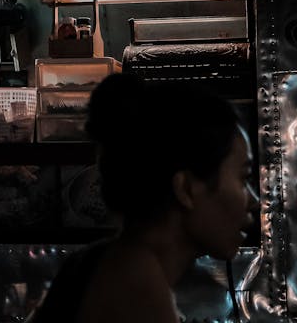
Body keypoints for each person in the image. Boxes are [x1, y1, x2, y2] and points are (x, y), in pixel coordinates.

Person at [26, 73, 258, 323]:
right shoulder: (137, 291)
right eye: (243, 179)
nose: (254, 200)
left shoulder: (98, 263)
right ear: (186, 189)